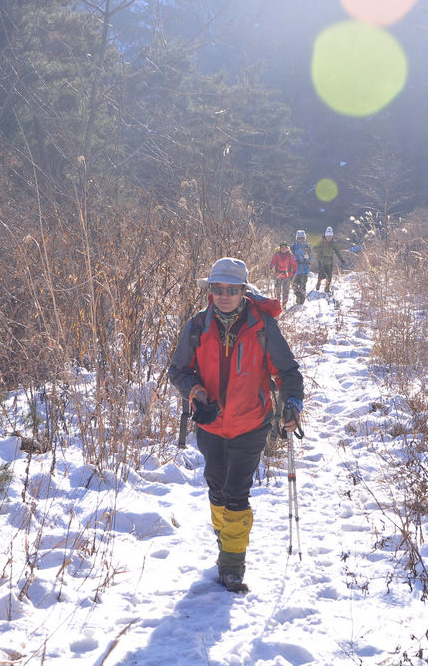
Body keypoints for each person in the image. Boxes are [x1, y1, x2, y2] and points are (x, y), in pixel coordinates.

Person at [168, 257, 304, 593]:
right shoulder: (197, 326)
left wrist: (292, 402)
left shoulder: (262, 327)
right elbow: (178, 370)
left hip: (251, 424)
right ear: (210, 290)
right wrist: (195, 390)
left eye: (231, 289)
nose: (224, 295)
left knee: (236, 493)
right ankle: (227, 536)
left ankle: (232, 565)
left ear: (244, 291)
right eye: (218, 289)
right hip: (211, 424)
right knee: (216, 487)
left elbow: (287, 372)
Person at [313, 226, 345, 293]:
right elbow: (315, 248)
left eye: (330, 236)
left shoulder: (334, 243)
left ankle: (327, 288)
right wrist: (319, 250)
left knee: (329, 275)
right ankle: (319, 282)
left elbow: (337, 251)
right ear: (325, 235)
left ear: (332, 236)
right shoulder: (321, 241)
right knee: (321, 273)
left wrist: (341, 259)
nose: (329, 238)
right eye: (328, 236)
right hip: (322, 259)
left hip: (330, 260)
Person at [269, 241, 297, 309]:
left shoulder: (291, 256)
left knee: (286, 291)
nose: (283, 249)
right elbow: (273, 262)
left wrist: (294, 273)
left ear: (287, 248)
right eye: (282, 248)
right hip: (278, 275)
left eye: (285, 247)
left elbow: (294, 265)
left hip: (287, 276)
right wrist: (271, 267)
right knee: (277, 290)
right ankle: (278, 305)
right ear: (280, 248)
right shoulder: (277, 255)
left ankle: (284, 305)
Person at [291, 230, 312, 305]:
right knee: (294, 286)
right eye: (299, 238)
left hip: (304, 270)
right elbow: (290, 256)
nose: (301, 239)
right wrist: (295, 261)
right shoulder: (293, 247)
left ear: (304, 238)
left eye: (302, 238)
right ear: (297, 238)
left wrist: (307, 260)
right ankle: (298, 297)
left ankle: (301, 301)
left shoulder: (307, 246)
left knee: (303, 286)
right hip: (296, 271)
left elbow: (311, 257)